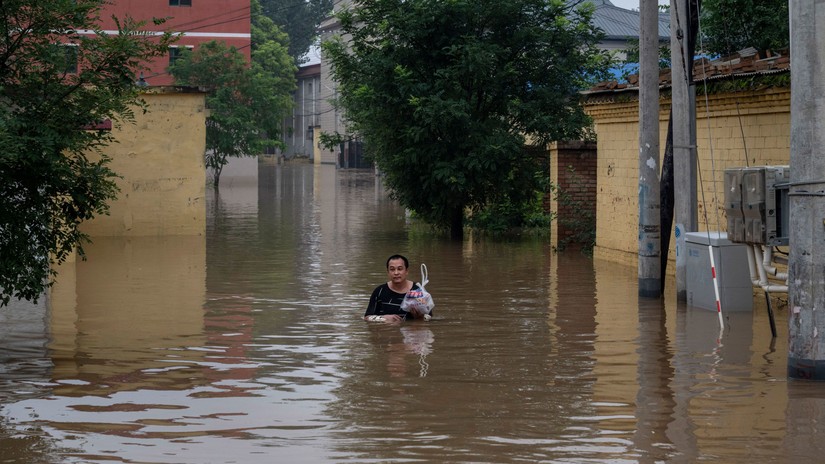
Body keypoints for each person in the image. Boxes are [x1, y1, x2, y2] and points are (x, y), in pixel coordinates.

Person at [364, 254, 430, 322]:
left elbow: (430, 317)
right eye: (392, 269)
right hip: (387, 331)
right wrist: (383, 318)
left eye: (400, 269)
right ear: (388, 272)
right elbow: (367, 318)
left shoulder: (417, 290)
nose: (396, 273)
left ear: (406, 271)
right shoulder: (379, 291)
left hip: (411, 331)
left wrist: (420, 317)